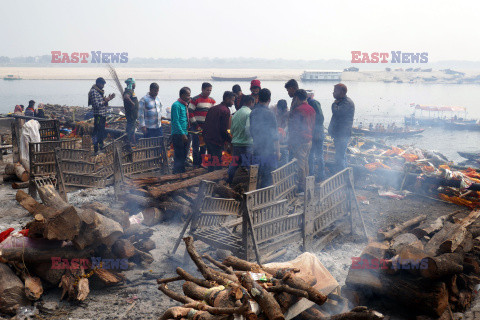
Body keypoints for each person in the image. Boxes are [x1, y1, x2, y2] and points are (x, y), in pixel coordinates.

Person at [250, 88, 279, 188]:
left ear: (258, 98)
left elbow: (252, 131)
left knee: (256, 173)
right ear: (269, 99)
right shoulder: (270, 114)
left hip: (256, 147)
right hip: (268, 149)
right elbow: (275, 135)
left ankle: (254, 193)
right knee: (268, 175)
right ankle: (265, 196)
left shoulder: (253, 112)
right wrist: (278, 151)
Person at [288, 90, 316, 192]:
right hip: (309, 140)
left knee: (300, 165)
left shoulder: (298, 110)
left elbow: (294, 128)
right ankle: (307, 184)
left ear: (297, 98)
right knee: (305, 163)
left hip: (300, 141)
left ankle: (302, 187)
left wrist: (290, 141)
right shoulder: (311, 109)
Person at [203, 91, 234, 172]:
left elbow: (206, 123)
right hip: (216, 140)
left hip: (208, 138)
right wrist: (230, 140)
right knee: (217, 162)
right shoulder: (225, 111)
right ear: (227, 99)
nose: (233, 103)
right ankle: (216, 180)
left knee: (210, 160)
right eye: (232, 100)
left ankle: (209, 177)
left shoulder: (213, 108)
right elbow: (223, 129)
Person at [227, 95, 255, 184]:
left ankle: (229, 182)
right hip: (246, 144)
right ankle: (246, 185)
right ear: (250, 102)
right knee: (247, 166)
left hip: (236, 144)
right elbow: (248, 128)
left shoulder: (236, 114)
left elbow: (231, 130)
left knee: (234, 164)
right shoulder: (249, 113)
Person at [328, 83, 355, 172]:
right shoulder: (341, 102)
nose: (333, 93)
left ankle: (342, 175)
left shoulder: (346, 102)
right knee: (341, 156)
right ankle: (344, 173)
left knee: (339, 157)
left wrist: (334, 104)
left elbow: (337, 113)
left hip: (342, 134)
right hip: (339, 134)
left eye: (335, 91)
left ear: (342, 92)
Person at [188, 82, 216, 167]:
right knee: (196, 145)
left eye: (210, 90)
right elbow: (190, 112)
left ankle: (201, 162)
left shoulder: (212, 100)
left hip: (205, 127)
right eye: (207, 90)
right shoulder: (195, 99)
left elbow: (212, 113)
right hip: (195, 126)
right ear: (202, 89)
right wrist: (196, 125)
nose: (209, 92)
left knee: (204, 145)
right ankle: (195, 163)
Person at [88, 77, 115, 154]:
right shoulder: (93, 91)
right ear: (98, 83)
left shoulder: (99, 92)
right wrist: (105, 100)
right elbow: (96, 105)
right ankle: (95, 148)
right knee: (96, 131)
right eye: (102, 84)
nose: (103, 86)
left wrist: (108, 99)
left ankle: (101, 146)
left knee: (101, 131)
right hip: (98, 115)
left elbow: (102, 102)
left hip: (103, 114)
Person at [171, 87, 191, 174]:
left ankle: (181, 171)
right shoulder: (176, 105)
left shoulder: (185, 105)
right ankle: (177, 172)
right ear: (182, 95)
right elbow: (176, 121)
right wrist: (183, 134)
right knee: (179, 154)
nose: (189, 97)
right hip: (178, 134)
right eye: (187, 95)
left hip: (186, 132)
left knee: (184, 153)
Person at [306, 90, 325, 182]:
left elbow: (320, 117)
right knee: (314, 153)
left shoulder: (313, 103)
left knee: (316, 154)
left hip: (317, 132)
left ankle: (320, 175)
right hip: (315, 131)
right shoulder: (313, 103)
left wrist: (317, 130)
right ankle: (313, 174)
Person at [123, 78, 139, 150]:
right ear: (131, 84)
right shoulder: (128, 91)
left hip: (133, 115)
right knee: (130, 130)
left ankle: (132, 144)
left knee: (132, 130)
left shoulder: (131, 91)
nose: (135, 85)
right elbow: (126, 97)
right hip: (131, 115)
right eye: (134, 83)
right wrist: (132, 103)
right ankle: (128, 145)